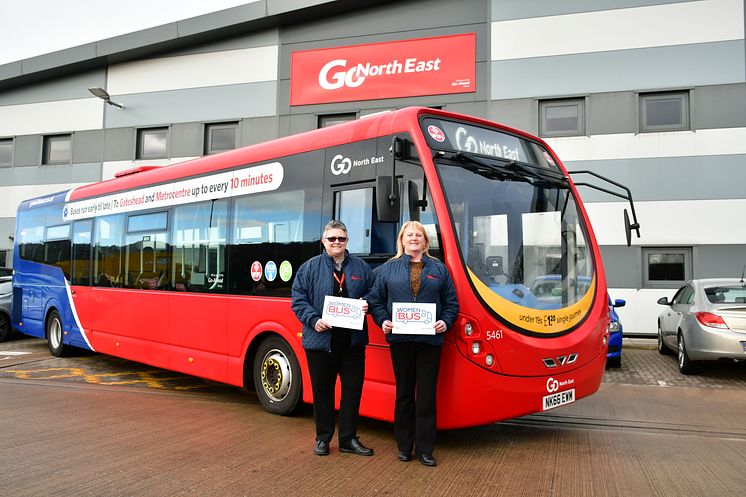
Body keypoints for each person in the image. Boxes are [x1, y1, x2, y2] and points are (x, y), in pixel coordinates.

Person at [368, 220, 458, 467]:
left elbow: (451, 303)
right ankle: (404, 447)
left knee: (427, 395)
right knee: (404, 393)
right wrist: (383, 320)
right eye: (410, 235)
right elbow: (375, 300)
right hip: (401, 340)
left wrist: (445, 322)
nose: (414, 238)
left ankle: (426, 449)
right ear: (402, 240)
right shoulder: (388, 269)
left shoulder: (438, 269)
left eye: (419, 235)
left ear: (425, 241)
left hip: (431, 341)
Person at [291, 220, 375, 457]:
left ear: (347, 241)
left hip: (352, 342)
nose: (337, 242)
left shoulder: (361, 267)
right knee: (323, 391)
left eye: (341, 238)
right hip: (319, 341)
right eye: (332, 239)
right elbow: (298, 299)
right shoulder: (309, 268)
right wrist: (313, 320)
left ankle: (348, 439)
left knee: (352, 390)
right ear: (323, 241)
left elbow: (374, 291)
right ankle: (323, 438)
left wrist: (366, 302)